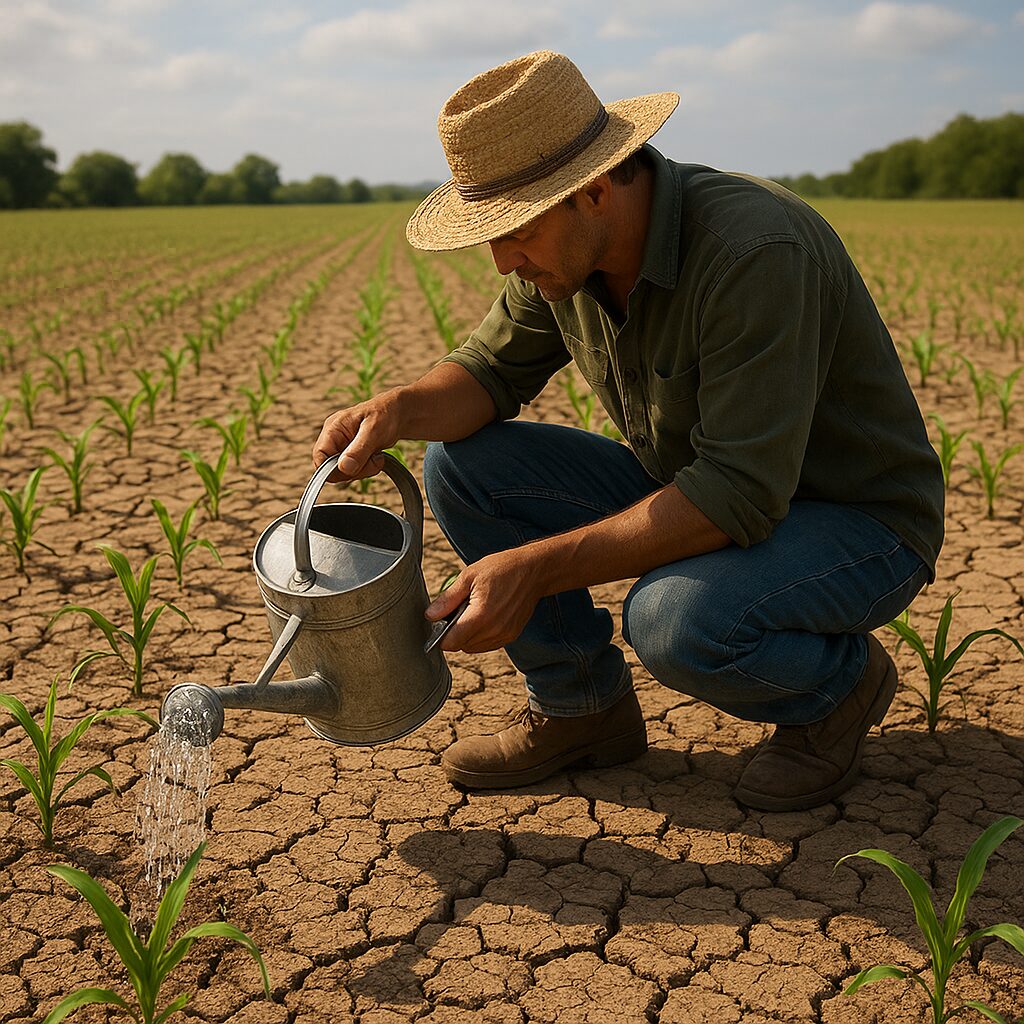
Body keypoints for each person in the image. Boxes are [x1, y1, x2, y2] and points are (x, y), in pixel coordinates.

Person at [312, 50, 944, 812]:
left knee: (674, 622)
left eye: (517, 229)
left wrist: (533, 571)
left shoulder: (752, 251)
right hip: (707, 490)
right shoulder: (565, 260)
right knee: (460, 465)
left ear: (594, 191)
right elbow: (485, 375)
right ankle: (582, 709)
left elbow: (737, 493)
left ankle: (840, 689)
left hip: (855, 522)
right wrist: (396, 412)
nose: (502, 260)